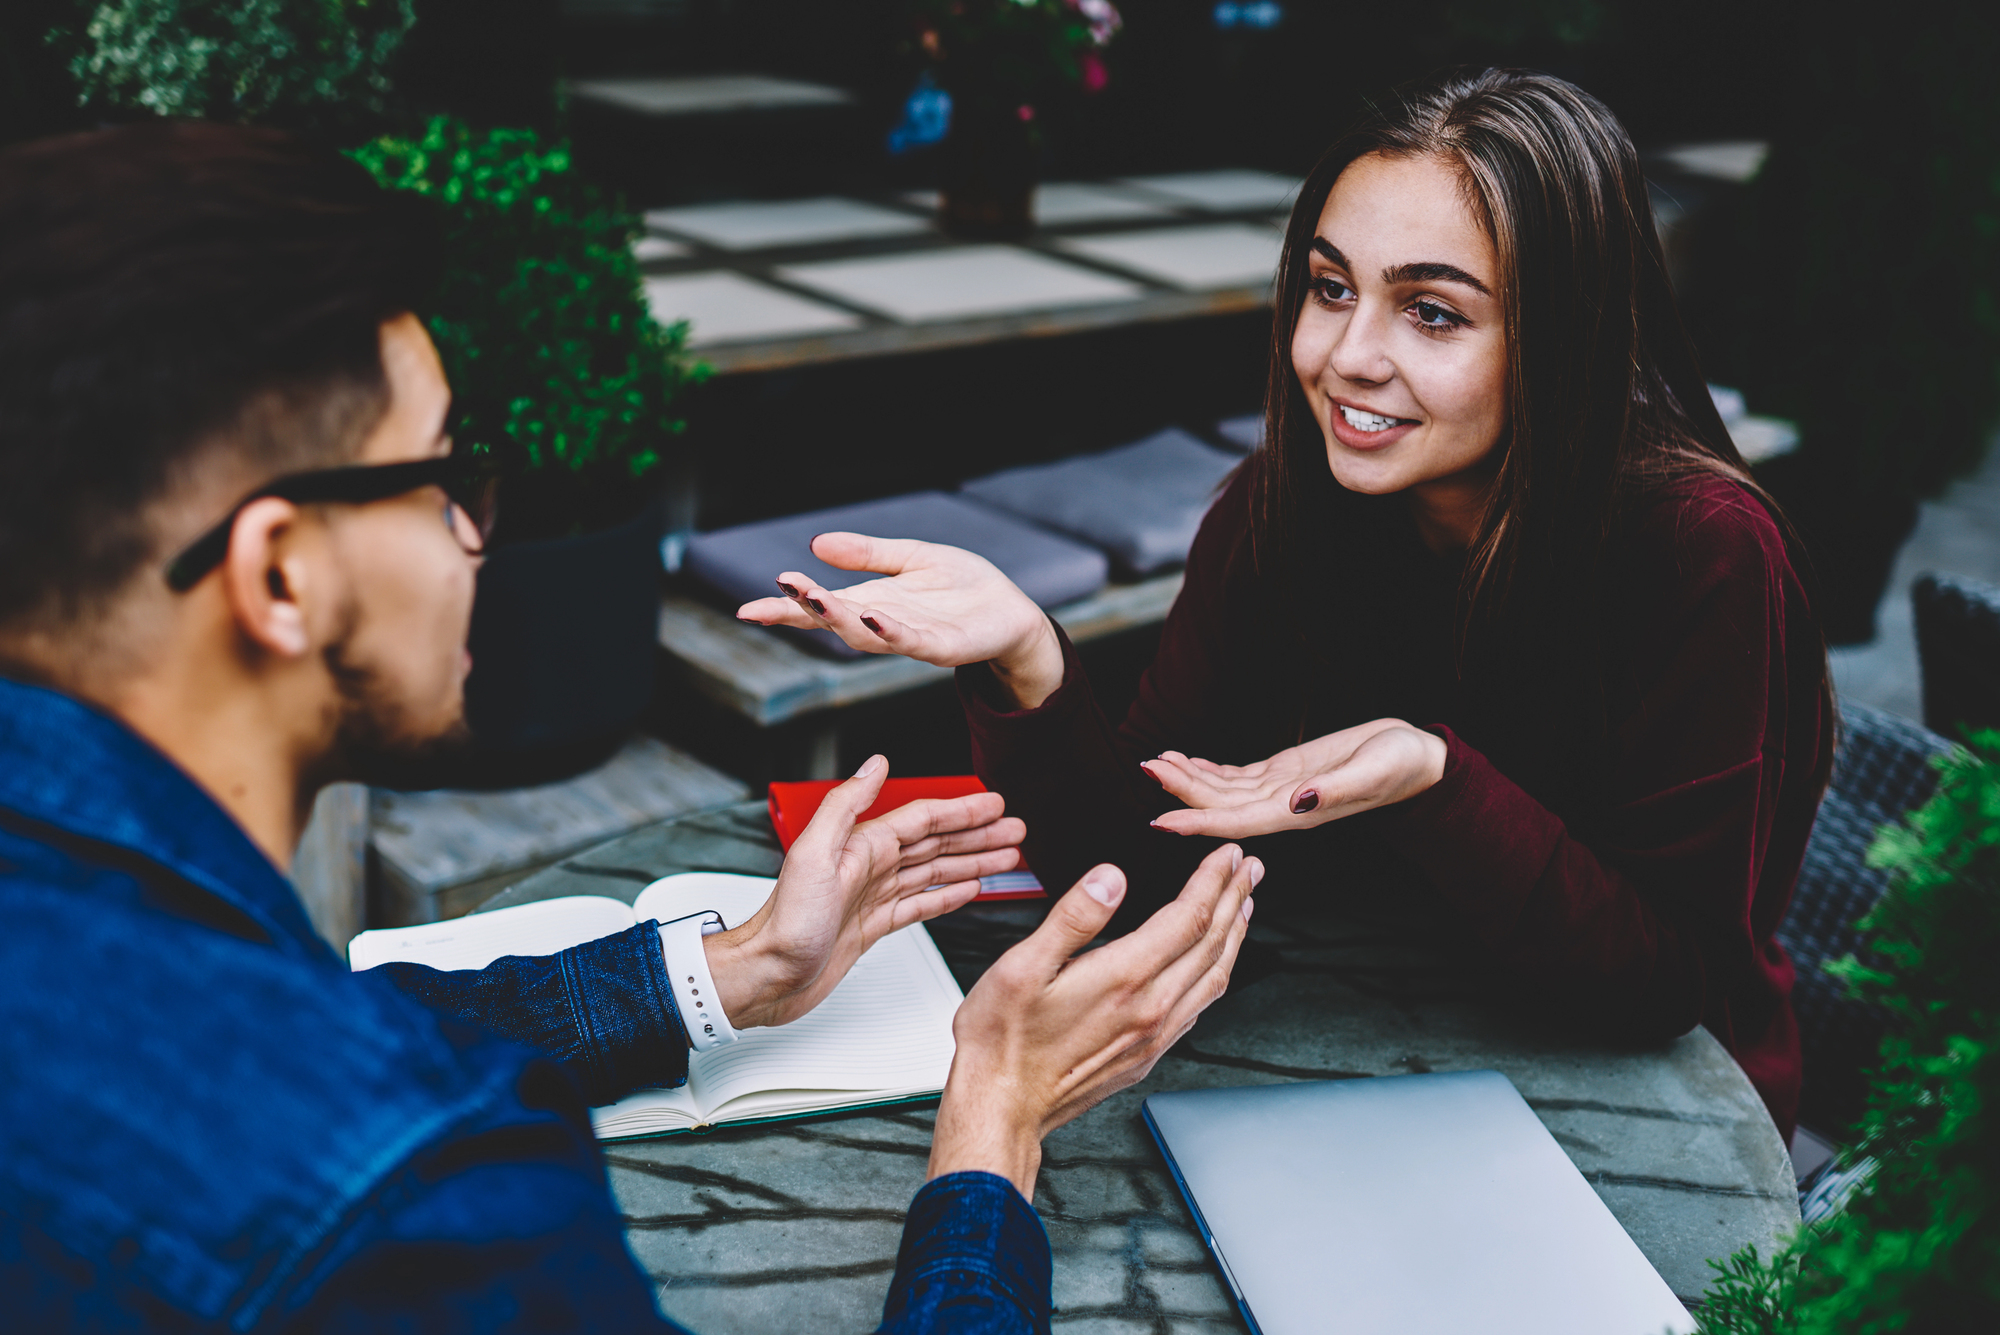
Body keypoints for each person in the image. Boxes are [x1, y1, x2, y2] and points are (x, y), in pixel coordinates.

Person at [0, 122, 1261, 1330]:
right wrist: (996, 1119)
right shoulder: (420, 1210)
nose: (475, 536)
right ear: (281, 577)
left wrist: (729, 973)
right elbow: (312, 1092)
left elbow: (245, 1043)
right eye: (442, 480)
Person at [741, 68, 1833, 1141]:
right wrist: (1027, 662)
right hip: (1344, 1049)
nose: (1347, 358)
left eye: (1433, 314)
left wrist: (1436, 780)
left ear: (1566, 332)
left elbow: (1661, 987)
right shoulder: (1282, 504)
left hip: (1646, 1120)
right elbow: (1145, 870)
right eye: (1328, 287)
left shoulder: (1696, 551)